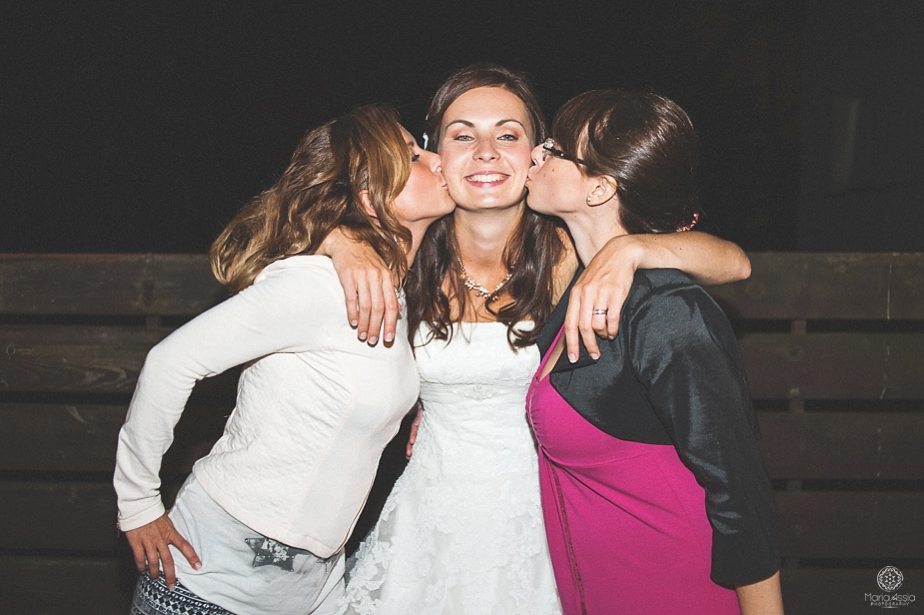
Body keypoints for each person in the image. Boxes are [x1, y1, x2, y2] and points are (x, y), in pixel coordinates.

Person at [326, 65, 753, 614]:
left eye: (507, 135)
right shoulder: (403, 252)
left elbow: (735, 263)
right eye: (463, 135)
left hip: (549, 518)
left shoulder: (569, 252)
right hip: (429, 518)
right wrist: (341, 243)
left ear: (536, 156)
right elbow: (278, 244)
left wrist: (635, 249)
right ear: (435, 155)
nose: (485, 151)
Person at [113, 104, 455, 615]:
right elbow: (169, 362)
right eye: (413, 155)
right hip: (207, 582)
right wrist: (137, 502)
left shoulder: (395, 294)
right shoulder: (318, 285)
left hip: (310, 589)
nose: (437, 159)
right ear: (370, 193)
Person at [525, 89, 783, 614]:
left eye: (552, 148)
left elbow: (739, 490)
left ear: (598, 187)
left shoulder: (667, 311)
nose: (536, 154)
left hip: (673, 587)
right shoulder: (573, 278)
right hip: (602, 592)